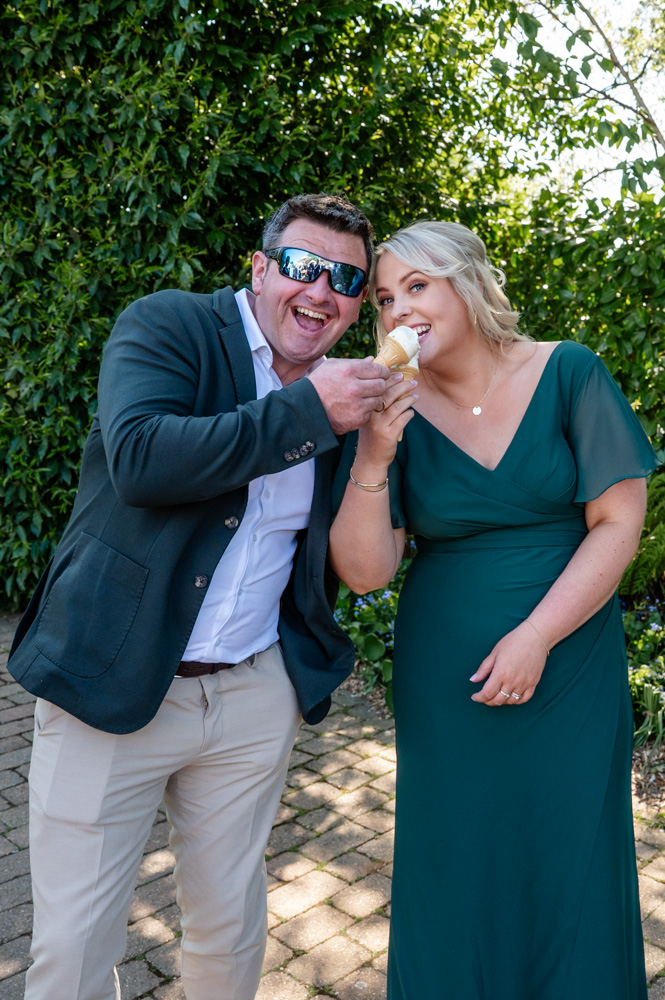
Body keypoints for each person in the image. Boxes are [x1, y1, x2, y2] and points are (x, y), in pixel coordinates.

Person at [8, 192, 392, 1000]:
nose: (320, 290)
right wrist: (308, 411)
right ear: (259, 269)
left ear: (359, 304)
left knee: (230, 930)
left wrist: (367, 444)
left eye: (346, 279)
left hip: (252, 694)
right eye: (302, 266)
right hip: (110, 680)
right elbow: (143, 460)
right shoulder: (170, 324)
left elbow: (352, 552)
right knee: (74, 950)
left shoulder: (350, 394)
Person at [329, 219, 657, 1000]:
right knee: (457, 858)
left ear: (468, 284)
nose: (398, 309)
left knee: (570, 853)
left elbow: (618, 524)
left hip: (569, 665)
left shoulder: (568, 372)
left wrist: (537, 634)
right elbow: (366, 571)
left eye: (417, 285)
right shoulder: (393, 410)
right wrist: (372, 453)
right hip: (448, 680)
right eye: (384, 299)